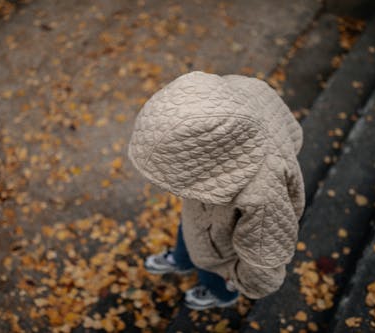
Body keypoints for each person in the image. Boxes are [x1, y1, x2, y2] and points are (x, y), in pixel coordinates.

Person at [127, 71, 305, 310]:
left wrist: (236, 279)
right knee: (188, 233)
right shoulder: (242, 90)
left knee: (211, 269)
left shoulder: (264, 194)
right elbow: (288, 130)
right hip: (201, 217)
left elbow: (264, 260)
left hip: (222, 254)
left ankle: (220, 295)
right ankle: (181, 259)